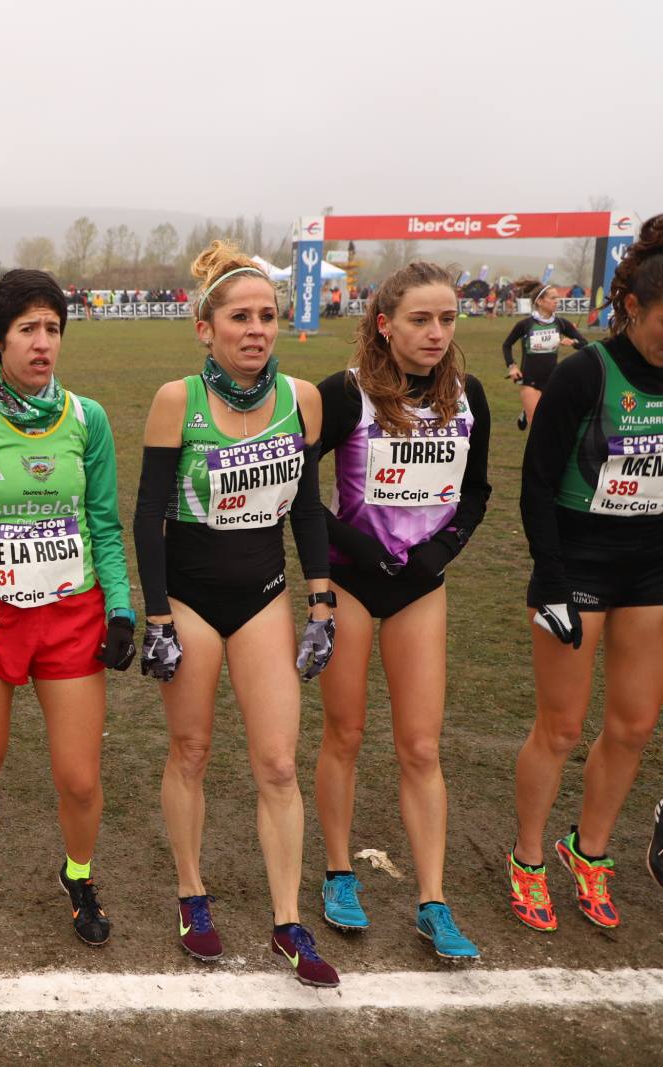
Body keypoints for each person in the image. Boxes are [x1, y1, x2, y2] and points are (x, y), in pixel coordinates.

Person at [132, 240, 339, 987]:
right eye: (240, 317)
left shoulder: (302, 400)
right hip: (187, 601)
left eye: (268, 316)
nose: (257, 329)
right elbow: (148, 515)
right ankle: (193, 895)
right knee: (190, 752)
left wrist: (322, 599)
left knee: (279, 763)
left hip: (263, 599)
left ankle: (288, 921)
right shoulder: (175, 400)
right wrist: (156, 618)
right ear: (205, 327)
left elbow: (308, 510)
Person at [0, 268, 136, 959]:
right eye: (28, 330)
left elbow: (104, 522)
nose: (44, 343)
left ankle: (78, 876)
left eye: (53, 329)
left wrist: (122, 609)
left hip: (72, 613)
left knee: (79, 774)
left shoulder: (87, 419)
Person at [312, 261, 493, 961]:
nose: (436, 332)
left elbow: (475, 494)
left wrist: (438, 551)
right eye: (420, 319)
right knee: (346, 734)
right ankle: (338, 872)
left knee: (421, 745)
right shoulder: (346, 392)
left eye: (447, 318)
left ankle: (433, 898)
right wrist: (358, 546)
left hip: (421, 584)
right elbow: (297, 484)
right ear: (384, 324)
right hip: (356, 580)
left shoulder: (469, 395)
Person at [509, 214, 663, 933]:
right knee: (562, 727)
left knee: (633, 724)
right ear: (634, 307)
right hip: (578, 563)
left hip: (651, 567)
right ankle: (530, 856)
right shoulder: (583, 374)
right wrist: (550, 579)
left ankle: (589, 849)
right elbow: (536, 484)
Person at [503, 284, 587, 431]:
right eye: (553, 297)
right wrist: (512, 366)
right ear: (540, 301)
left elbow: (584, 343)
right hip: (530, 381)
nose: (557, 300)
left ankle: (526, 411)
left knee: (553, 424)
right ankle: (528, 410)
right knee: (537, 427)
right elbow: (507, 345)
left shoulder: (561, 323)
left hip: (553, 381)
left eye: (557, 297)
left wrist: (572, 342)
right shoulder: (525, 324)